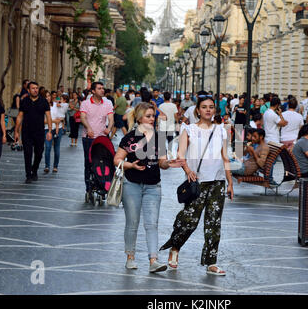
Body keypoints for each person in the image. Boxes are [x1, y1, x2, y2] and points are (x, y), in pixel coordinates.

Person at [160, 93, 234, 276]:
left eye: (211, 107)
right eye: (204, 107)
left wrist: (230, 183)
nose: (208, 110)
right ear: (198, 110)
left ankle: (211, 262)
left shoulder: (221, 130)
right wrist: (187, 171)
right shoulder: (189, 129)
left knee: (214, 223)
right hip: (197, 182)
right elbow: (181, 154)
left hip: (218, 182)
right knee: (189, 221)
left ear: (214, 110)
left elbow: (225, 157)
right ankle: (175, 246)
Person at [114, 102, 184, 272]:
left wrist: (169, 163)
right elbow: (117, 160)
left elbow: (161, 163)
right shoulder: (130, 137)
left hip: (153, 186)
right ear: (139, 118)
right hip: (131, 185)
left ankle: (153, 260)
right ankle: (130, 257)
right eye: (148, 116)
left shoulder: (159, 137)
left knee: (152, 224)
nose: (152, 119)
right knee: (132, 222)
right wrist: (130, 165)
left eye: (153, 116)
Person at [80, 82, 114, 199]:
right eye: (99, 88)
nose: (102, 90)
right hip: (88, 137)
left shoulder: (108, 103)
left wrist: (108, 128)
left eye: (103, 88)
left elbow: (110, 118)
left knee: (103, 161)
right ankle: (88, 187)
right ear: (93, 91)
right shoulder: (85, 103)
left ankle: (102, 184)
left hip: (102, 138)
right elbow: (83, 117)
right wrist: (88, 128)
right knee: (88, 162)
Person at [15, 82, 53, 183]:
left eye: (36, 88)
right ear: (29, 90)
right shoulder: (24, 101)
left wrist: (49, 131)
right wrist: (16, 131)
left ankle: (34, 169)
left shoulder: (43, 101)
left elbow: (48, 116)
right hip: (26, 132)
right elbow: (19, 116)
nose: (35, 90)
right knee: (27, 153)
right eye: (33, 88)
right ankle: (28, 175)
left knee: (39, 153)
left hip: (39, 132)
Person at [44, 94, 68, 174]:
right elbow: (42, 121)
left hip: (58, 128)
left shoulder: (56, 105)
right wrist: (54, 121)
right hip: (47, 129)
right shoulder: (41, 106)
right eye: (45, 96)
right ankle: (47, 166)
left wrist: (60, 120)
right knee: (47, 147)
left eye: (48, 96)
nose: (48, 97)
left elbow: (62, 116)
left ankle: (55, 166)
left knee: (57, 148)